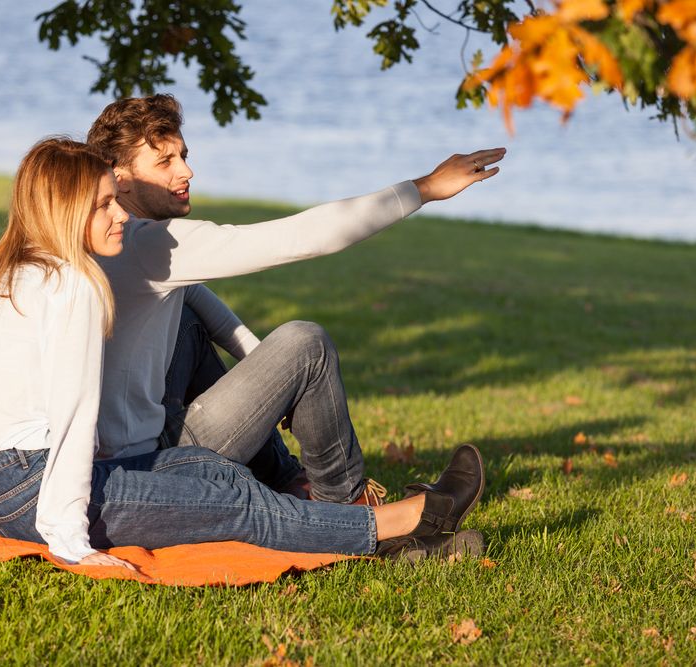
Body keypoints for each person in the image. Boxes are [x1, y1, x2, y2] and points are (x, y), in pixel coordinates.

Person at [0, 136, 487, 566]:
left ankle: (364, 528)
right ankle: (408, 520)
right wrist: (70, 543)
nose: (119, 211)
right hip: (37, 489)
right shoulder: (74, 283)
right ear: (68, 208)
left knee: (218, 473)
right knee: (240, 507)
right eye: (105, 203)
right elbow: (74, 416)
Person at [85, 94, 504, 508]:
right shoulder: (149, 244)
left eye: (183, 155)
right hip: (152, 468)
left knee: (190, 320)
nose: (186, 170)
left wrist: (272, 375)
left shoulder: (106, 239)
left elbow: (196, 297)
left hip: (130, 451)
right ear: (121, 178)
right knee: (306, 345)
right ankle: (347, 502)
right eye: (165, 162)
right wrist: (425, 188)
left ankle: (287, 478)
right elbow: (303, 236)